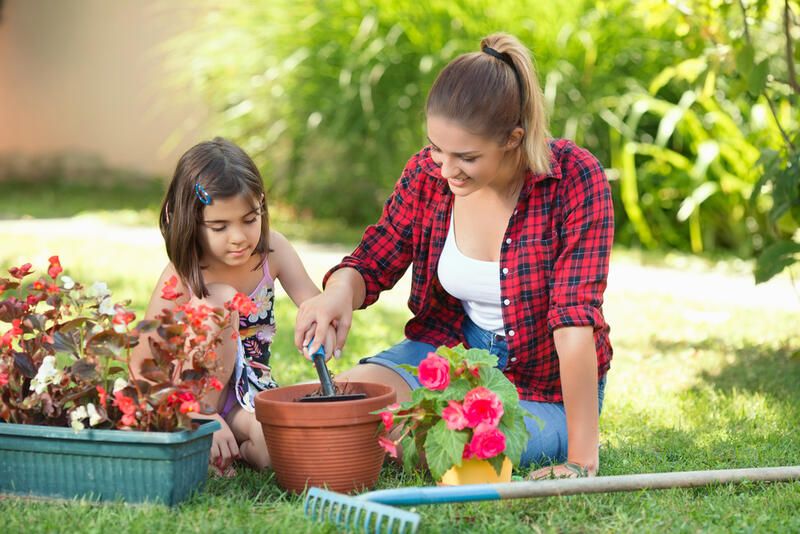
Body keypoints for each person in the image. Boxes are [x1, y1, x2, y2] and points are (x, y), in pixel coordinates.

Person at [294, 33, 614, 479]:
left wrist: (581, 460)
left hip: (542, 388)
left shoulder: (575, 179)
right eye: (436, 148)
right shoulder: (430, 173)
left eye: (466, 156)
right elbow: (375, 257)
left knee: (437, 449)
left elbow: (574, 324)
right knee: (339, 414)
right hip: (448, 357)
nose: (445, 170)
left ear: (513, 138)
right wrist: (338, 294)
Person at [133, 137, 326, 475]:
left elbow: (314, 304)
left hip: (247, 392)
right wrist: (193, 411)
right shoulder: (184, 271)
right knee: (220, 299)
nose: (238, 237)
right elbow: (143, 359)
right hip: (189, 394)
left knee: (276, 453)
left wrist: (320, 326)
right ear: (190, 222)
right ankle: (203, 427)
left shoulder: (272, 251)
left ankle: (225, 446)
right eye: (220, 226)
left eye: (249, 219)